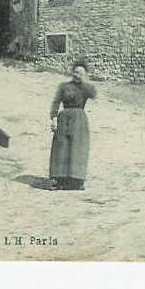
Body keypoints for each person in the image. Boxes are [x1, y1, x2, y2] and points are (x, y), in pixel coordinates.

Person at [48, 60, 97, 191]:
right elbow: (56, 102)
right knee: (61, 148)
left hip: (79, 119)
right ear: (72, 72)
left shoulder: (86, 88)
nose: (77, 75)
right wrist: (53, 119)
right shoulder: (64, 86)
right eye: (75, 72)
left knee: (78, 148)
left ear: (85, 74)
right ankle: (59, 180)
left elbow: (93, 94)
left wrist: (85, 81)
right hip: (63, 118)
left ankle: (77, 180)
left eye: (80, 73)